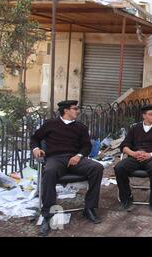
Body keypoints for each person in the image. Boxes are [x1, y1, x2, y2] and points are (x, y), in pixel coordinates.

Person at [30, 100, 104, 237]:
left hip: (75, 159)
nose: (78, 111)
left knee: (97, 168)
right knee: (49, 171)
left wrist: (79, 155)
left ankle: (89, 208)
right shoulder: (50, 124)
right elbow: (35, 138)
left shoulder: (81, 128)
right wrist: (36, 148)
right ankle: (47, 214)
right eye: (75, 108)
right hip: (55, 159)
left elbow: (87, 146)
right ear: (66, 111)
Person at [114, 104, 152, 213]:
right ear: (144, 116)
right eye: (151, 114)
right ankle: (126, 197)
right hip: (134, 157)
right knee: (119, 168)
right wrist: (133, 153)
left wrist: (150, 154)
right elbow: (124, 145)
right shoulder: (135, 128)